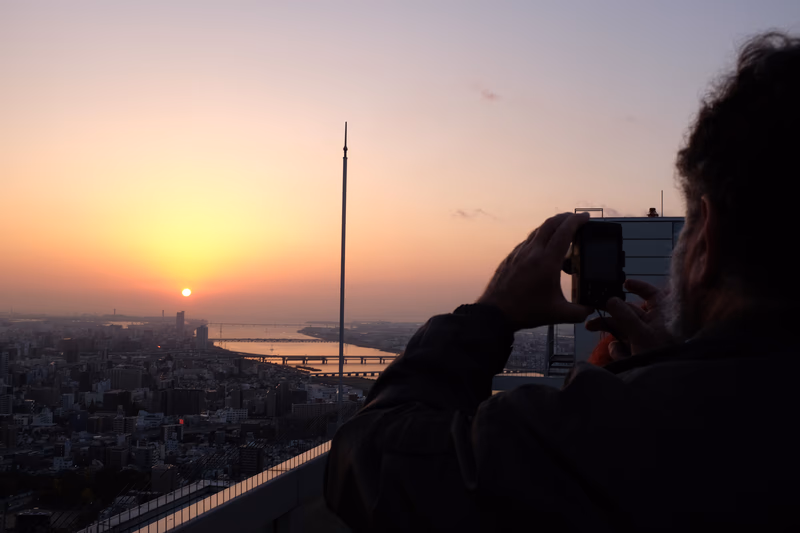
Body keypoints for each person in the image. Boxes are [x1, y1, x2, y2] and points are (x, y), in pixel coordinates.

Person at [324, 32, 800, 532]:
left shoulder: (610, 438)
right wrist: (666, 365)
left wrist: (490, 313)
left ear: (707, 243)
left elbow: (367, 459)